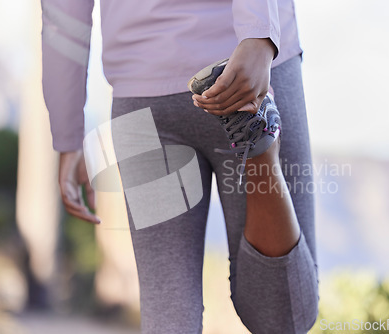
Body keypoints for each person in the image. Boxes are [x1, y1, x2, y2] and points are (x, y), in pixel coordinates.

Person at [41, 0, 319, 332]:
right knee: (285, 317)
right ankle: (258, 149)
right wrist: (258, 36)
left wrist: (68, 135)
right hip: (244, 70)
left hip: (143, 93)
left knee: (168, 313)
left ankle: (258, 148)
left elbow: (63, 14)